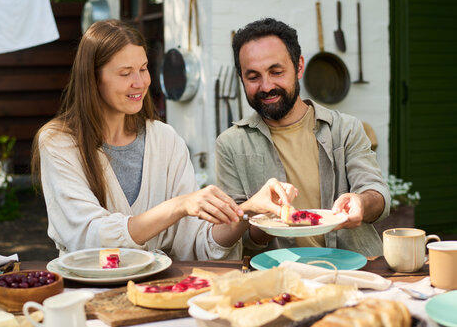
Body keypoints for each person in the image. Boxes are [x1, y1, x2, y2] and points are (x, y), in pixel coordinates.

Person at [31, 19, 293, 261]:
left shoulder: (164, 139)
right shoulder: (59, 143)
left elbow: (195, 241)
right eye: (125, 73)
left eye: (143, 69)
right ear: (93, 78)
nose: (140, 82)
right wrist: (179, 206)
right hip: (86, 293)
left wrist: (248, 211)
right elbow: (89, 237)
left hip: (159, 291)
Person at [215, 18, 390, 257]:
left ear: (299, 67)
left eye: (276, 72)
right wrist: (263, 220)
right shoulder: (230, 144)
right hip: (279, 276)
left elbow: (376, 193)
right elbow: (242, 238)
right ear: (241, 77)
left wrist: (362, 202)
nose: (266, 86)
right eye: (253, 77)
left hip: (357, 268)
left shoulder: (345, 129)